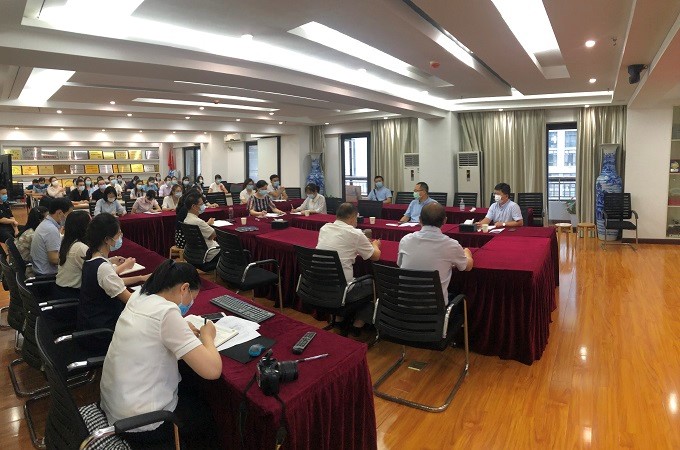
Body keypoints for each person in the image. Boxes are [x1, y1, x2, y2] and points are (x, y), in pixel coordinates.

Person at [99, 259, 221, 447]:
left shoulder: (139, 296)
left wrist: (181, 326)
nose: (191, 303)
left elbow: (153, 328)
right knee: (206, 416)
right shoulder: (166, 312)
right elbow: (212, 370)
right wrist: (207, 336)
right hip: (142, 421)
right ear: (184, 288)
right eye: (192, 297)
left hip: (116, 405)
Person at [78, 213, 150, 352]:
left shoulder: (92, 258)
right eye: (118, 234)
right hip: (103, 332)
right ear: (107, 239)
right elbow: (130, 300)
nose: (121, 237)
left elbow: (113, 282)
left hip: (92, 322)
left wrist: (141, 278)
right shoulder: (103, 267)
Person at [316, 202, 381, 335]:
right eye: (356, 218)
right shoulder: (355, 233)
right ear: (352, 218)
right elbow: (375, 257)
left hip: (319, 284)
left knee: (352, 281)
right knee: (374, 284)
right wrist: (375, 245)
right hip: (342, 290)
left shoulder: (325, 228)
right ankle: (358, 324)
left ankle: (339, 320)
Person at [398, 203, 473, 299]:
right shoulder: (451, 245)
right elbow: (467, 267)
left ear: (420, 220)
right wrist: (467, 253)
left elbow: (400, 264)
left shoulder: (405, 240)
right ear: (445, 220)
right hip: (434, 306)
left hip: (403, 304)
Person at [57, 211, 132, 297]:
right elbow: (102, 272)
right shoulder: (81, 248)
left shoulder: (70, 242)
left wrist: (111, 260)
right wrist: (125, 265)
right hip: (72, 294)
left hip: (64, 289)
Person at [30, 198, 74, 276]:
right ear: (60, 213)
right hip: (47, 276)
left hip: (41, 270)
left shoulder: (46, 224)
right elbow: (54, 259)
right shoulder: (50, 229)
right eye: (69, 215)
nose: (70, 218)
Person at [182, 192, 220, 263]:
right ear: (194, 206)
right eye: (201, 204)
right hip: (210, 254)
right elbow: (212, 235)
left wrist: (207, 224)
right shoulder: (198, 221)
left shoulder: (186, 219)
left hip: (194, 254)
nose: (204, 206)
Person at [14, 206, 48, 276]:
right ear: (40, 220)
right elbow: (46, 256)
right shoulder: (33, 235)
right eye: (47, 219)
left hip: (26, 266)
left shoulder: (28, 230)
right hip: (31, 270)